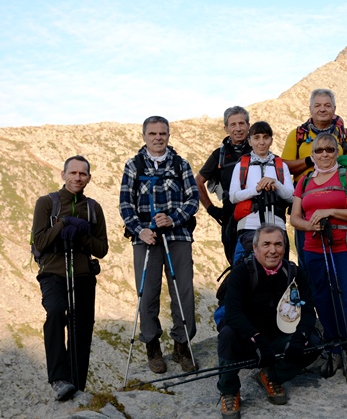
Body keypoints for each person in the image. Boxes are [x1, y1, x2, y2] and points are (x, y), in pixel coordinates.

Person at [120, 116, 200, 374]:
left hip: (178, 236)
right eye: (152, 133)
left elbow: (193, 200)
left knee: (184, 291)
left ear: (168, 135)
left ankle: (182, 344)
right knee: (148, 292)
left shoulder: (181, 165)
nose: (158, 137)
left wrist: (172, 219)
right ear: (144, 136)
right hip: (146, 238)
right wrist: (140, 230)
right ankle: (152, 346)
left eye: (162, 133)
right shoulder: (133, 166)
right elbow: (125, 204)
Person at [217, 224, 320, 418]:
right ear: (255, 248)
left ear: (284, 247)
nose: (273, 250)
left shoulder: (294, 273)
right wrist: (256, 338)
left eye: (278, 244)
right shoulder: (241, 273)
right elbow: (232, 313)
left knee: (312, 343)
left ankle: (270, 376)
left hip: (278, 337)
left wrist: (300, 336)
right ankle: (229, 390)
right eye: (266, 244)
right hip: (248, 339)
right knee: (227, 334)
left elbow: (307, 310)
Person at [31, 155, 108, 401]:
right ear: (63, 175)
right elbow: (39, 242)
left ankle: (76, 385)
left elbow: (102, 249)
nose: (78, 177)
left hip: (84, 275)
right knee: (55, 312)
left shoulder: (93, 208)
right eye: (73, 173)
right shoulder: (46, 203)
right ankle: (59, 379)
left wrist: (81, 235)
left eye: (83, 174)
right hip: (53, 273)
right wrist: (63, 223)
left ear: (89, 178)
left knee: (82, 328)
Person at [290, 132, 347, 377]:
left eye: (329, 150)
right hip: (313, 247)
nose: (324, 154)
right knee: (322, 298)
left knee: (344, 297)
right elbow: (294, 218)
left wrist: (328, 210)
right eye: (319, 151)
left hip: (345, 245)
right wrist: (311, 226)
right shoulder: (304, 181)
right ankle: (333, 348)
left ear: (337, 152)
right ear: (312, 155)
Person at [282, 89, 347, 272]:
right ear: (310, 108)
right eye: (317, 105)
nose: (322, 109)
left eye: (327, 105)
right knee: (308, 257)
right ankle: (311, 299)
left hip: (338, 204)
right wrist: (309, 160)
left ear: (334, 108)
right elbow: (284, 166)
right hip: (306, 203)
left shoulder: (345, 136)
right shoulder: (297, 136)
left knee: (340, 257)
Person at [229, 121, 294, 263]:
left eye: (265, 137)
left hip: (277, 226)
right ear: (250, 141)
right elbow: (233, 196)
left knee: (277, 273)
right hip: (248, 227)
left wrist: (275, 183)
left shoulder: (281, 166)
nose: (261, 142)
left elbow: (291, 197)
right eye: (257, 138)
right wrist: (256, 189)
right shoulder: (241, 166)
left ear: (271, 140)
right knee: (244, 271)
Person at [196, 106, 252, 265]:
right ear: (226, 128)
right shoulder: (218, 155)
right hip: (230, 219)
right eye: (233, 125)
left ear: (248, 125)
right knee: (237, 266)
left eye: (242, 123)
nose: (238, 128)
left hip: (256, 216)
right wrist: (211, 209)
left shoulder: (258, 149)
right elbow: (198, 181)